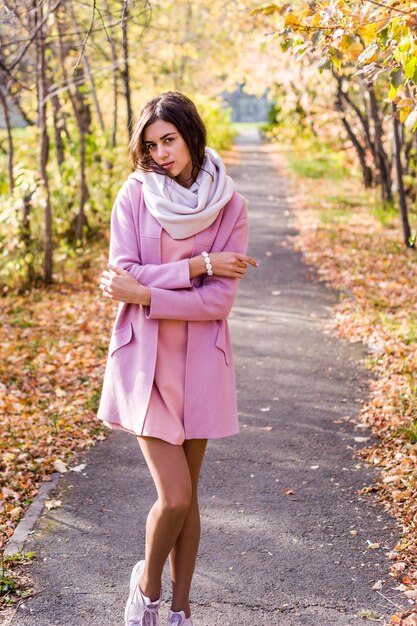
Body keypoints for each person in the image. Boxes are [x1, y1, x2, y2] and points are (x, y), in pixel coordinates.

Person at [97, 91, 257, 626]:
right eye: (151, 144)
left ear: (190, 134)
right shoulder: (135, 195)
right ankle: (145, 591)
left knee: (189, 500)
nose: (161, 153)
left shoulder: (230, 204)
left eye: (169, 140)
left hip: (202, 366)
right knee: (175, 496)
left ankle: (181, 609)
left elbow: (219, 301)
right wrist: (198, 265)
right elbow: (122, 274)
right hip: (145, 362)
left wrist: (148, 292)